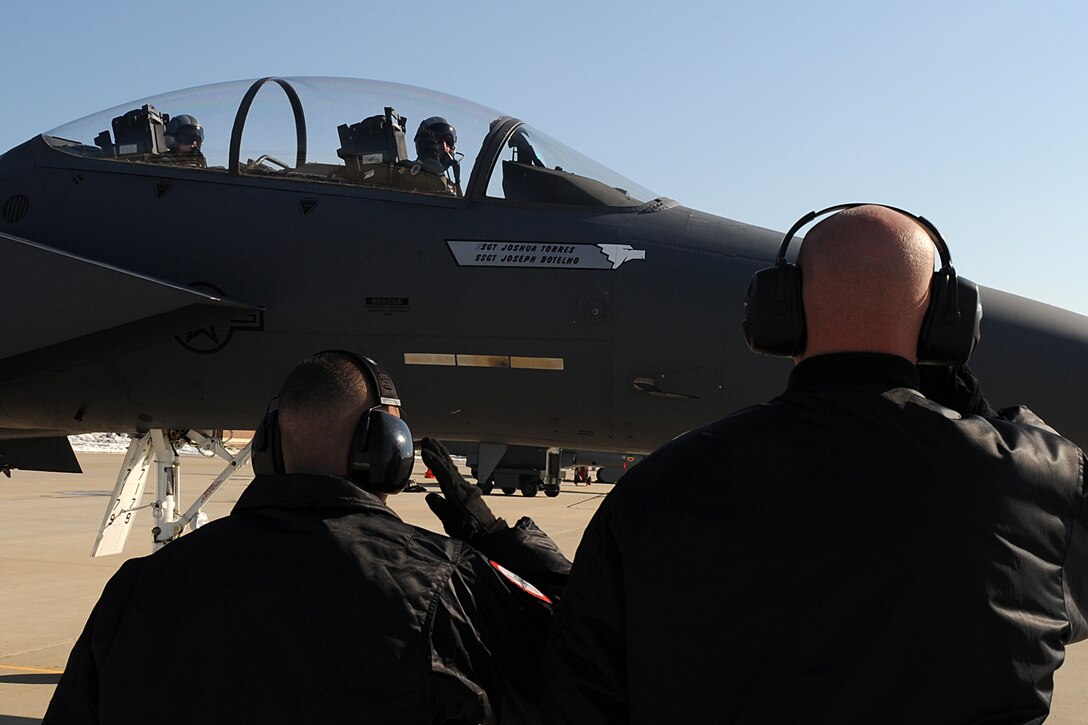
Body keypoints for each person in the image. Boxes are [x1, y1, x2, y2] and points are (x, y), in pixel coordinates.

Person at [542, 205, 1088, 723]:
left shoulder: (659, 486)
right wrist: (992, 423)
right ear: (950, 325)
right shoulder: (1037, 479)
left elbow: (580, 693)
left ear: (781, 312)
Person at [44, 350, 570, 724]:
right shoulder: (447, 583)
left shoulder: (140, 586)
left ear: (269, 448)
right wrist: (499, 544)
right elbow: (597, 667)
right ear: (387, 451)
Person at [412, 116, 460, 194]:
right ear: (424, 144)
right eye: (437, 141)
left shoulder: (451, 187)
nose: (444, 148)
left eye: (448, 143)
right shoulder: (403, 173)